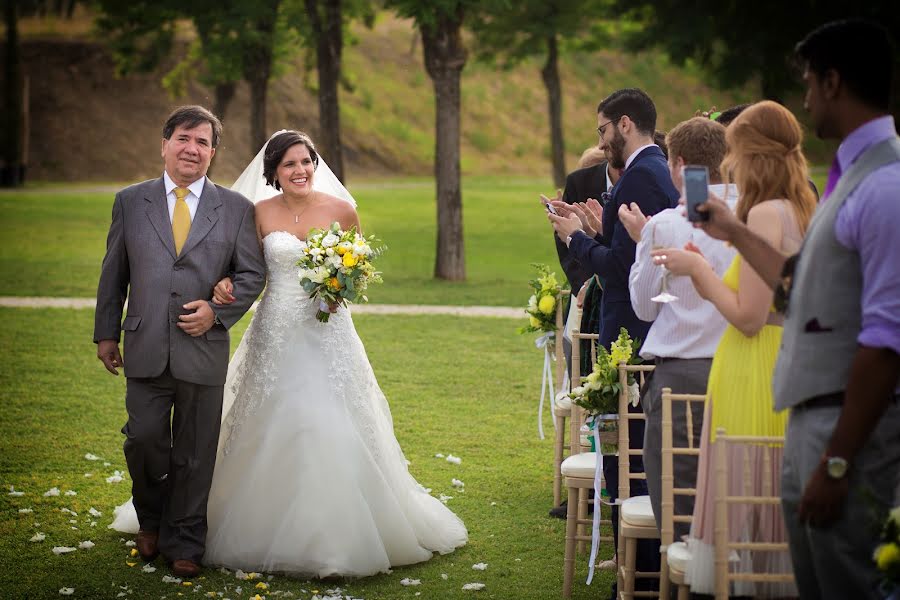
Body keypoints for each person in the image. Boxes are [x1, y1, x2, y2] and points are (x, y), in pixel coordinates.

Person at [111, 130, 468, 578]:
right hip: (275, 330)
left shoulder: (343, 210)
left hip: (328, 333)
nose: (300, 171)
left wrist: (342, 287)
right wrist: (222, 285)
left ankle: (337, 537)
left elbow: (357, 267)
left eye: (306, 162)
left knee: (330, 422)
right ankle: (192, 520)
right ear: (274, 173)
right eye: (289, 165)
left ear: (315, 165)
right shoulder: (256, 212)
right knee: (267, 420)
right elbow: (239, 266)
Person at [694, 19, 900, 600]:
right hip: (812, 418)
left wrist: (837, 462)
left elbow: (887, 340)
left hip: (844, 426)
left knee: (848, 580)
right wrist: (733, 232)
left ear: (833, 82)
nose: (805, 98)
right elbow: (800, 288)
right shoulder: (849, 178)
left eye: (809, 82)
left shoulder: (883, 185)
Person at [94, 105, 267, 578]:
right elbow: (115, 273)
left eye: (203, 142)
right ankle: (150, 518)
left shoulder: (236, 209)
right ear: (165, 143)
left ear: (213, 152)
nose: (193, 149)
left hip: (203, 350)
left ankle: (186, 539)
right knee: (145, 440)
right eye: (185, 138)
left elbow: (251, 274)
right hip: (145, 344)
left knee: (195, 450)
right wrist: (107, 332)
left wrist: (218, 311)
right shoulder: (131, 201)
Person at [652, 100, 817, 596]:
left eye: (735, 153)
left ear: (753, 155)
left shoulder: (767, 213)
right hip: (777, 358)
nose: (729, 166)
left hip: (754, 364)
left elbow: (749, 317)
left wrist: (698, 270)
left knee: (748, 502)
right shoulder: (802, 207)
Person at [549, 87, 679, 596]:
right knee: (629, 451)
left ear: (625, 124)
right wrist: (596, 231)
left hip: (631, 331)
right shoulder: (651, 171)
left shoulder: (643, 175)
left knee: (632, 455)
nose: (600, 142)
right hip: (635, 328)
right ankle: (636, 563)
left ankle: (641, 572)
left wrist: (574, 240)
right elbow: (627, 251)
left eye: (603, 130)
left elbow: (623, 270)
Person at [619, 115, 738, 537]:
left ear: (679, 163)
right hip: (744, 370)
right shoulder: (754, 217)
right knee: (738, 492)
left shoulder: (666, 225)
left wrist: (642, 242)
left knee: (680, 508)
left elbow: (645, 308)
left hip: (683, 376)